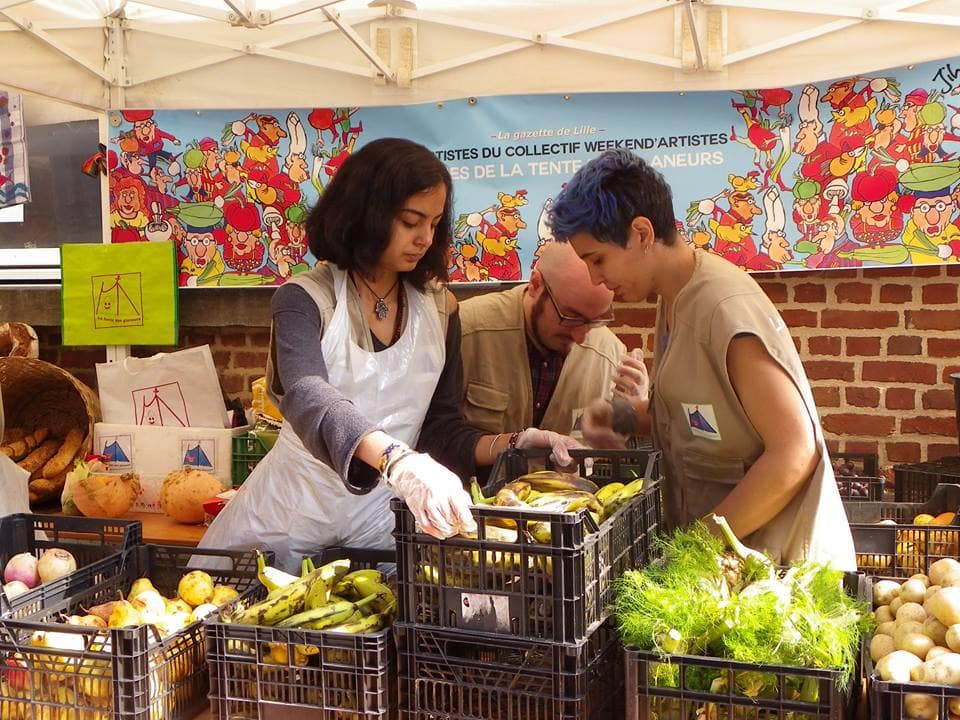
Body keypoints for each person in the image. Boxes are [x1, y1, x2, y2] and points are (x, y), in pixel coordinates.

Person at [200, 138, 581, 571]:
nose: (424, 238)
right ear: (365, 212)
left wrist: (512, 443)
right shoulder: (305, 299)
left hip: (379, 530)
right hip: (287, 520)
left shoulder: (440, 308)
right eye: (409, 221)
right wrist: (396, 460)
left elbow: (440, 429)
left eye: (434, 224)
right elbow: (307, 396)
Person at [547, 149, 856, 571]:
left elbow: (795, 451)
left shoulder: (723, 307)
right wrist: (621, 416)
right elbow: (702, 418)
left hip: (779, 577)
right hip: (730, 567)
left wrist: (698, 545)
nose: (596, 278)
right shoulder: (674, 297)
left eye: (597, 259)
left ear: (640, 233)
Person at [459, 240, 644, 436]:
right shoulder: (463, 331)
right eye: (571, 318)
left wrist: (632, 415)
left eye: (594, 322)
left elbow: (603, 452)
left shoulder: (610, 355)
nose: (580, 337)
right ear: (535, 285)